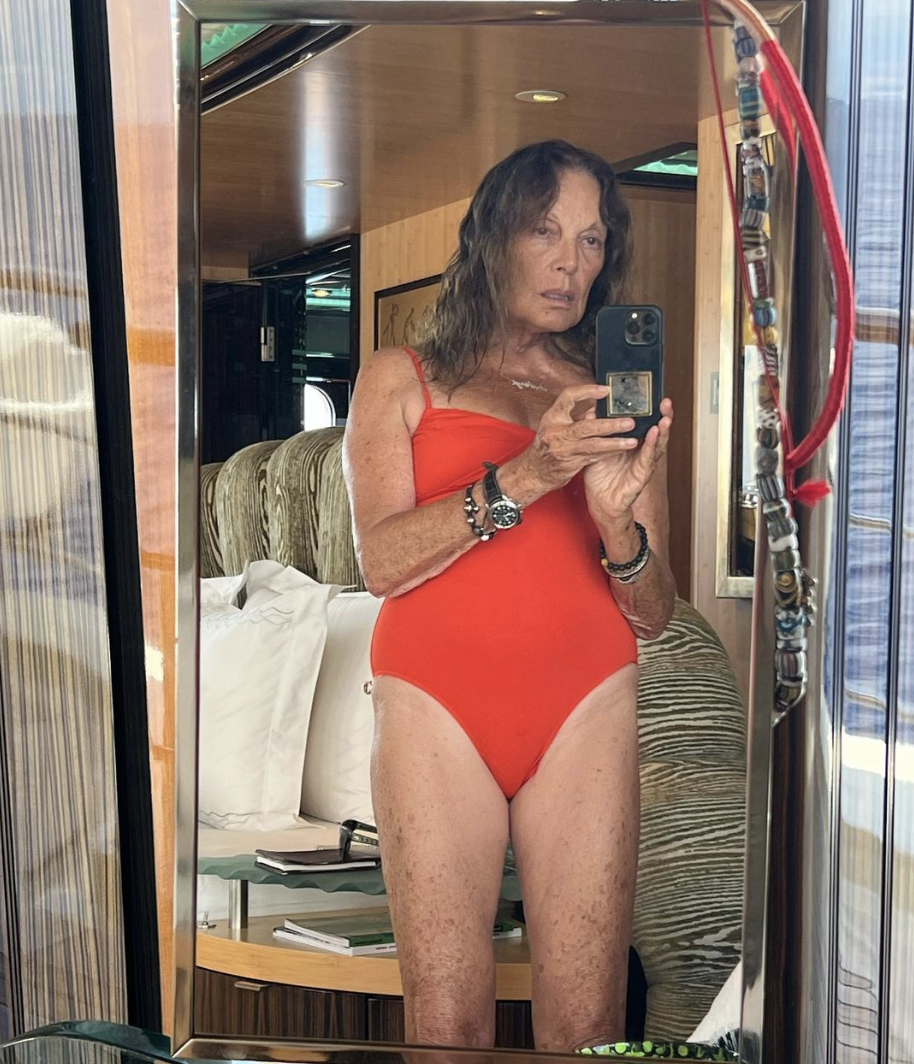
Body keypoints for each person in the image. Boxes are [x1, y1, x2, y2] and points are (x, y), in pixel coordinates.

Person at [343, 139, 676, 1052]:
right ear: (495, 236)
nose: (574, 262)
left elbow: (656, 611)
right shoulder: (399, 378)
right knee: (448, 1029)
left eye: (594, 239)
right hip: (436, 707)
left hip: (587, 705)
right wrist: (530, 474)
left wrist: (616, 525)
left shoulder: (610, 397)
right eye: (547, 231)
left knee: (590, 1031)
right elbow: (381, 562)